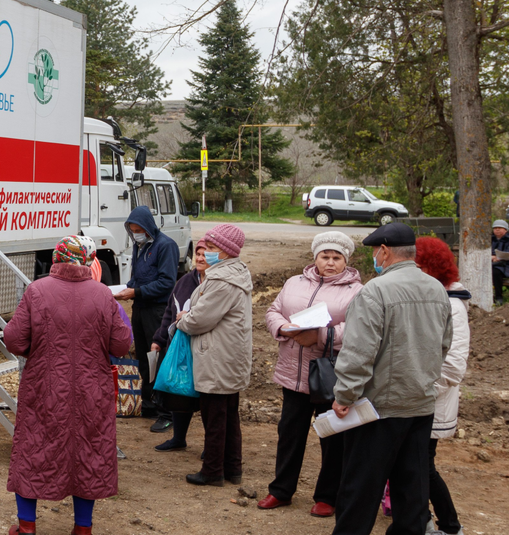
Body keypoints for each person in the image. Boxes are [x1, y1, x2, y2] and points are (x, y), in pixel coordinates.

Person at [4, 236, 134, 535]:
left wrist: (36, 350)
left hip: (44, 387)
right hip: (92, 389)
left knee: (33, 450)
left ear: (57, 258)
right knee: (87, 452)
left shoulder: (36, 291)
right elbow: (121, 343)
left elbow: (14, 339)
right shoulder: (103, 295)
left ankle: (26, 527)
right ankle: (83, 528)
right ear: (89, 261)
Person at [330, 222, 453, 535]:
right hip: (421, 404)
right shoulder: (436, 289)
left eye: (374, 251)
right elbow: (444, 344)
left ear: (383, 251)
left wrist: (345, 395)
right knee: (411, 489)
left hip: (379, 407)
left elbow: (358, 352)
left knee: (360, 488)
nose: (374, 257)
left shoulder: (375, 291)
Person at [258, 231, 362, 517]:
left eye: (336, 257)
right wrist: (282, 328)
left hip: (330, 375)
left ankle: (328, 496)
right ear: (315, 257)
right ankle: (281, 490)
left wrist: (319, 336)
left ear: (346, 260)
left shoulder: (356, 291)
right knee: (289, 434)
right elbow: (273, 310)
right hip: (292, 373)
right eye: (324, 256)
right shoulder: (294, 283)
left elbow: (357, 330)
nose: (329, 262)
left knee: (332, 438)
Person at [174, 223, 252, 487]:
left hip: (217, 357)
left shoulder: (221, 280)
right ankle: (232, 468)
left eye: (212, 248)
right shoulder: (234, 274)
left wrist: (183, 319)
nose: (205, 252)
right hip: (229, 355)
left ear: (227, 252)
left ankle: (212, 471)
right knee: (228, 414)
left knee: (215, 415)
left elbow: (200, 319)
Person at [414, 237, 471, 535]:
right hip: (417, 398)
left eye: (417, 265)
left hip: (429, 400)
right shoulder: (427, 295)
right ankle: (422, 519)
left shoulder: (452, 306)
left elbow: (452, 366)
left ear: (431, 267)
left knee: (423, 465)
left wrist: (419, 392)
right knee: (413, 464)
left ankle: (449, 526)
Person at [114, 206, 179, 423]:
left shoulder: (166, 246)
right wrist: (125, 289)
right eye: (132, 230)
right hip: (140, 308)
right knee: (143, 357)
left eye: (138, 229)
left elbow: (166, 282)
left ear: (147, 226)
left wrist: (136, 291)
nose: (136, 233)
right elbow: (138, 277)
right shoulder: (139, 246)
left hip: (158, 311)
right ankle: (149, 403)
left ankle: (166, 411)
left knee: (158, 358)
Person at [151, 239, 208, 451]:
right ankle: (178, 438)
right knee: (179, 390)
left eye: (205, 254)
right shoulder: (184, 281)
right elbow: (170, 313)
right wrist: (159, 339)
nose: (200, 258)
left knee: (206, 398)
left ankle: (210, 446)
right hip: (179, 347)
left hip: (204, 348)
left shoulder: (216, 285)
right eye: (198, 254)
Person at [492, 219, 509, 305]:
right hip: (492, 263)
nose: (497, 230)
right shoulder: (490, 239)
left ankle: (499, 297)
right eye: (495, 228)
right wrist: (492, 257)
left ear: (505, 230)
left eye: (500, 228)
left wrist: (499, 257)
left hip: (506, 265)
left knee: (496, 272)